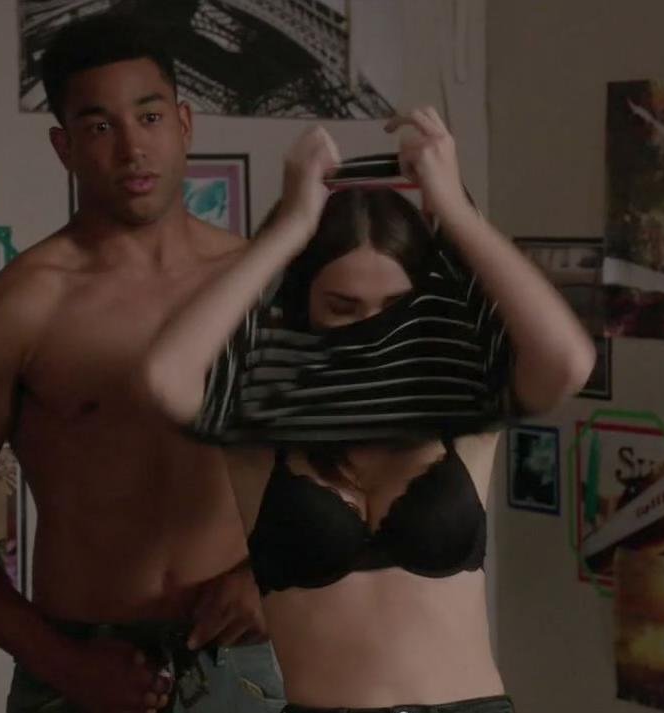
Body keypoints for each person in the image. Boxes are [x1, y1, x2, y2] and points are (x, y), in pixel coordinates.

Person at [0, 14, 285, 713]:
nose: (133, 147)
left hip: (248, 650)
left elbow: (360, 474)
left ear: (184, 123)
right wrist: (60, 661)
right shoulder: (19, 309)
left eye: (150, 116)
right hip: (82, 661)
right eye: (100, 126)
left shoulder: (268, 285)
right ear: (63, 146)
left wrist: (270, 573)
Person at [140, 108, 596, 712]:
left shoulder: (459, 407)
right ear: (302, 305)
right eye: (344, 306)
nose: (373, 329)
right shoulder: (261, 423)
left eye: (393, 306)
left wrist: (455, 211)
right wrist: (288, 228)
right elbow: (165, 376)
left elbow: (567, 362)